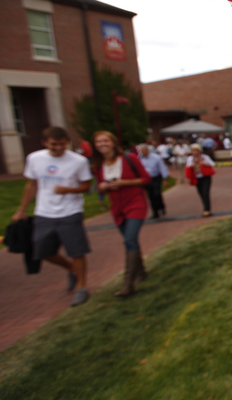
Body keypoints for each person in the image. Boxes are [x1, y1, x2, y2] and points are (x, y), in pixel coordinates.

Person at [12, 127, 93, 307]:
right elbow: (32, 184)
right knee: (42, 251)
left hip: (70, 211)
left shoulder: (78, 161)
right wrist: (21, 209)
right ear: (45, 143)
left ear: (67, 143)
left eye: (63, 144)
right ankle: (71, 269)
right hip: (44, 212)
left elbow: (86, 186)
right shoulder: (34, 158)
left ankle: (82, 287)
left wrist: (68, 190)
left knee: (77, 251)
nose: (59, 148)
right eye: (54, 144)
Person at [92, 131, 151, 297]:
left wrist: (125, 182)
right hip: (117, 207)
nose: (102, 144)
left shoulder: (129, 158)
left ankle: (128, 283)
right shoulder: (98, 165)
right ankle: (141, 272)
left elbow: (146, 179)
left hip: (135, 203)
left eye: (105, 140)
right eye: (98, 141)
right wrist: (102, 187)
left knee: (130, 239)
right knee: (129, 239)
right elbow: (98, 186)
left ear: (112, 142)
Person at [138, 143, 170, 218]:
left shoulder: (156, 157)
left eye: (143, 151)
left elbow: (162, 168)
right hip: (147, 179)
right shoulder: (139, 158)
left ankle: (161, 207)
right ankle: (155, 212)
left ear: (147, 150)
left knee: (157, 193)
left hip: (156, 178)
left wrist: (165, 179)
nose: (142, 153)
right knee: (151, 195)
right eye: (141, 151)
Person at [185, 143, 215, 217]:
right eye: (193, 150)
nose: (194, 152)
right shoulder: (190, 159)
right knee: (201, 193)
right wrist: (191, 166)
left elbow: (212, 164)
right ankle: (205, 207)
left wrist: (204, 164)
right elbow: (187, 167)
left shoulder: (205, 157)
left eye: (195, 150)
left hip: (205, 177)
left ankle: (207, 209)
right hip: (197, 178)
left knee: (205, 193)